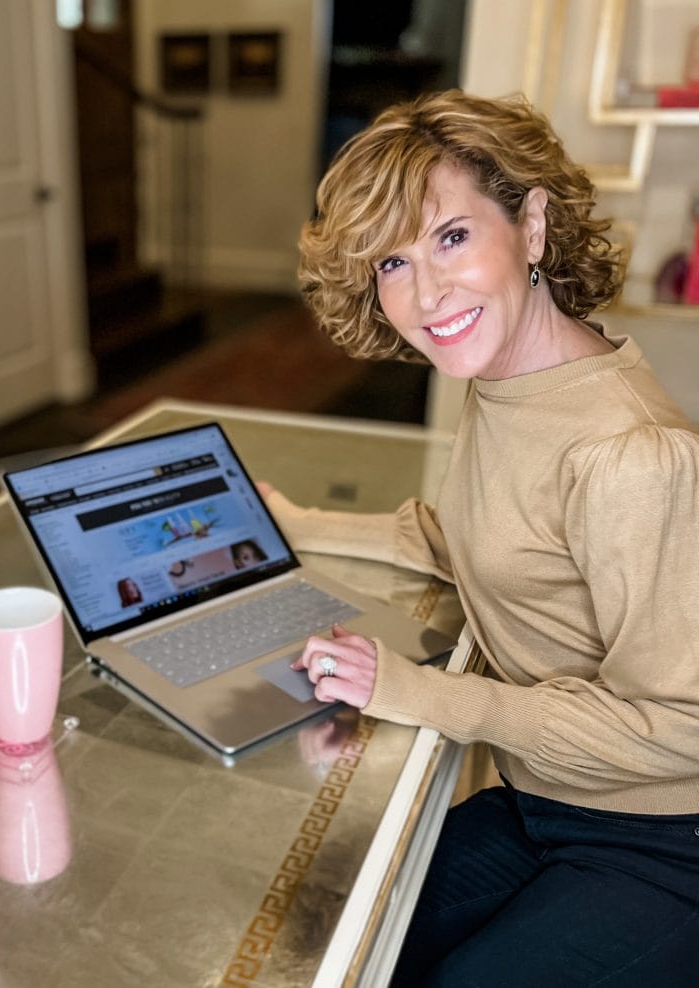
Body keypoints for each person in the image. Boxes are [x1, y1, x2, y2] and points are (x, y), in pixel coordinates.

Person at [263, 89, 699, 986]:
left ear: (532, 226)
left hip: (665, 840)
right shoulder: (507, 376)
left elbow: (684, 727)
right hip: (547, 801)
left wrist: (421, 694)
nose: (425, 293)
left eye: (452, 237)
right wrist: (300, 528)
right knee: (314, 934)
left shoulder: (632, 457)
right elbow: (480, 535)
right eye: (391, 262)